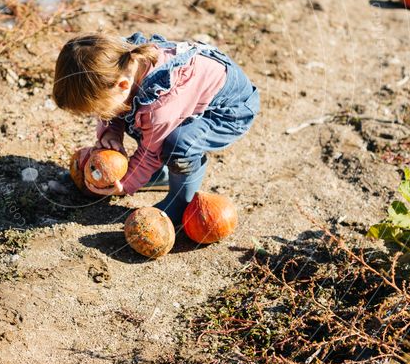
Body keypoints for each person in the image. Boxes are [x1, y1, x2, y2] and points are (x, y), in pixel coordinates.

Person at [52, 32, 260, 224]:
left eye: (101, 110)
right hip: (188, 98)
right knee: (136, 118)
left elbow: (151, 152)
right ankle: (159, 176)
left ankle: (181, 201)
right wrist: (111, 132)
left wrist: (125, 184)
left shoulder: (159, 107)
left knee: (178, 145)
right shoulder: (120, 63)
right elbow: (117, 109)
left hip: (229, 110)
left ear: (122, 85)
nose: (102, 115)